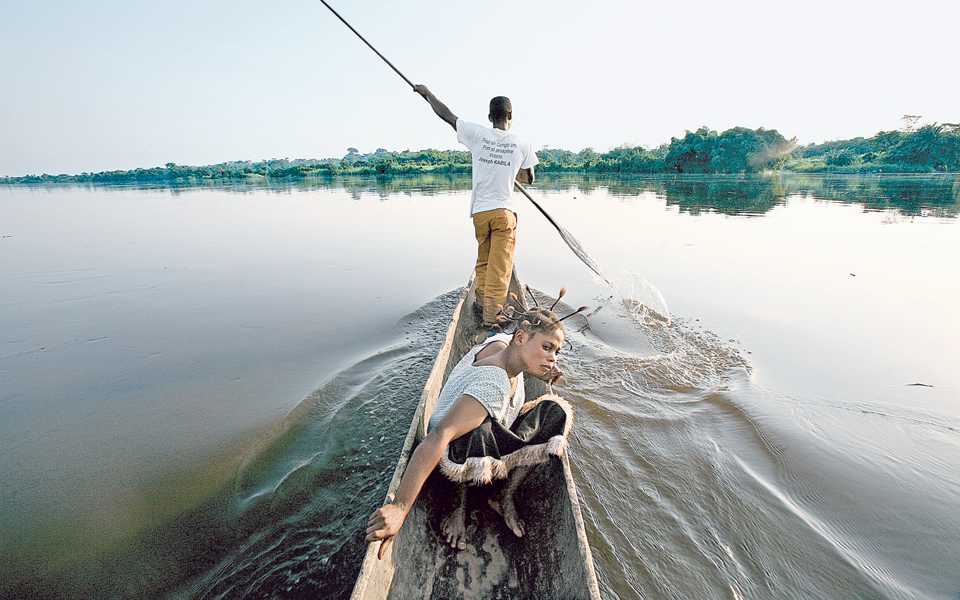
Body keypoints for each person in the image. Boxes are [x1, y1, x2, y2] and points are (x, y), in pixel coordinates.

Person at [365, 304, 573, 552]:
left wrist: (540, 371)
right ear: (520, 337)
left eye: (557, 352)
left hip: (465, 441)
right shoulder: (494, 383)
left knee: (555, 411)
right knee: (483, 429)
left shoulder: (500, 343)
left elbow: (517, 350)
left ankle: (501, 496)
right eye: (546, 348)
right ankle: (456, 503)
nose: (553, 358)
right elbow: (439, 436)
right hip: (449, 458)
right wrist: (400, 507)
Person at [412, 85, 539, 328]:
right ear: (510, 117)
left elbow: (447, 115)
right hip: (503, 213)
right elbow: (528, 178)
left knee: (484, 261)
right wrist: (510, 171)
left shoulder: (477, 134)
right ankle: (491, 322)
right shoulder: (522, 143)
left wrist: (427, 94)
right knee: (500, 270)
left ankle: (481, 305)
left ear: (490, 117)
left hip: (480, 214)